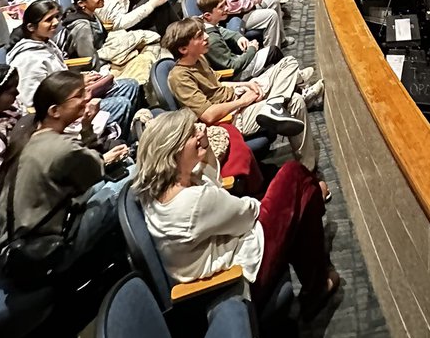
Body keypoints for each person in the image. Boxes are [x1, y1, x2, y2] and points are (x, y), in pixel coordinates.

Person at [133, 109, 338, 315]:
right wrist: (258, 201)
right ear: (174, 151)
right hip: (240, 278)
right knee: (293, 174)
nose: (199, 132)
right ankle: (317, 284)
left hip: (217, 268)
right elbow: (250, 214)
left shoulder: (153, 191)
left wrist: (205, 149)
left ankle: (311, 206)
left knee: (299, 200)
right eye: (190, 134)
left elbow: (215, 186)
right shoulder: (194, 201)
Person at [0, 70, 128, 281]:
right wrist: (93, 139)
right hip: (40, 252)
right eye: (79, 96)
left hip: (8, 239)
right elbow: (95, 171)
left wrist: (86, 127)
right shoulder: (64, 147)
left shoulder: (26, 133)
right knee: (129, 179)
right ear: (54, 110)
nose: (87, 99)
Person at [164, 18, 317, 169]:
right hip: (230, 118)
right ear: (183, 49)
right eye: (199, 36)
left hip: (237, 97)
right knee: (295, 100)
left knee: (288, 62)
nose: (206, 37)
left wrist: (246, 84)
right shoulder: (179, 77)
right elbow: (208, 115)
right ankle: (307, 168)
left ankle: (274, 104)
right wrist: (243, 101)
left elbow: (219, 84)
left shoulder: (199, 58)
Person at [7, 0, 141, 141]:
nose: (56, 23)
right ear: (31, 27)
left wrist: (80, 80)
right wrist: (76, 91)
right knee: (121, 104)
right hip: (61, 113)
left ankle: (119, 136)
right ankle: (110, 145)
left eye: (56, 17)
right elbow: (32, 104)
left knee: (130, 85)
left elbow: (59, 76)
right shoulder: (27, 59)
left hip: (72, 94)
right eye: (48, 20)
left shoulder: (46, 43)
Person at [197, 0, 323, 106]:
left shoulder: (207, 25)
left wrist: (239, 37)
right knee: (273, 52)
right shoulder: (211, 39)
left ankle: (297, 81)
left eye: (225, 4)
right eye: (221, 7)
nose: (227, 8)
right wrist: (252, 49)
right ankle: (299, 87)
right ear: (208, 15)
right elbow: (232, 66)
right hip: (235, 74)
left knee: (272, 53)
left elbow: (224, 31)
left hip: (237, 61)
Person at [60, 0, 161, 87]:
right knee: (142, 60)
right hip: (92, 68)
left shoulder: (91, 14)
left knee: (148, 44)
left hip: (104, 54)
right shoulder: (82, 26)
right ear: (81, 3)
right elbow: (89, 60)